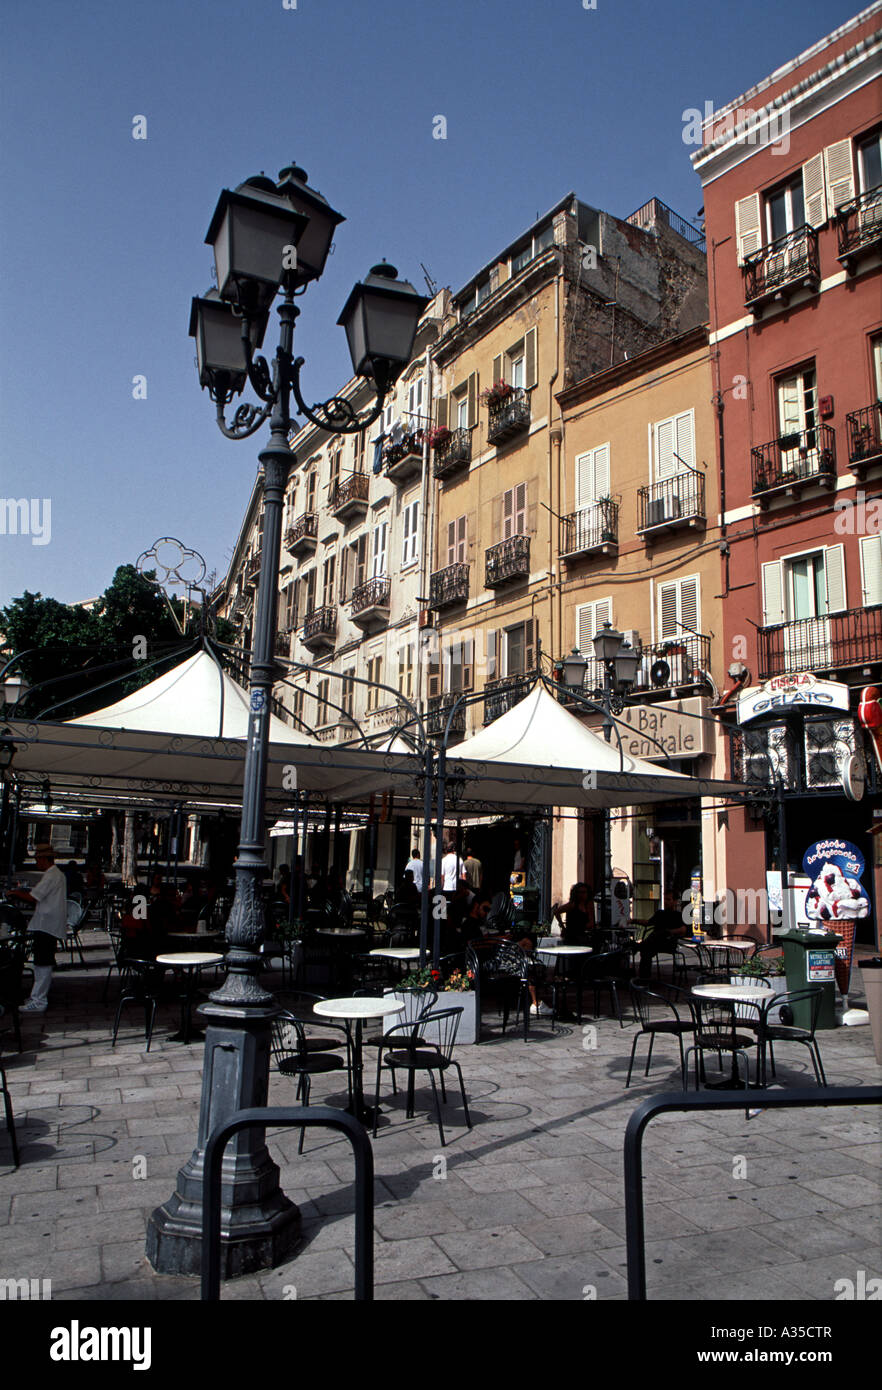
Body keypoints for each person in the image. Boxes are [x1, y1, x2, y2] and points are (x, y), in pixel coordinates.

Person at [4, 843, 68, 1013]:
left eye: (38, 859)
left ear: (43, 859)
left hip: (47, 925)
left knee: (42, 963)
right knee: (41, 962)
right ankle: (36, 996)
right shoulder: (54, 875)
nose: (37, 863)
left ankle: (39, 999)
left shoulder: (52, 875)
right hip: (47, 923)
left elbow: (34, 897)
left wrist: (15, 893)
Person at [636, 888, 688, 979]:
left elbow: (683, 930)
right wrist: (634, 920)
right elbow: (648, 923)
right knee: (646, 950)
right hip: (654, 942)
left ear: (675, 901)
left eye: (668, 899)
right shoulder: (660, 913)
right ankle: (644, 979)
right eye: (665, 899)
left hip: (667, 942)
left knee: (649, 945)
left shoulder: (678, 915)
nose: (666, 902)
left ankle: (637, 947)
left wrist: (669, 931)